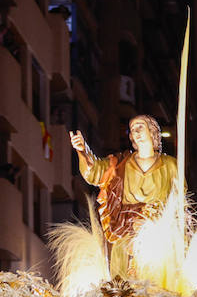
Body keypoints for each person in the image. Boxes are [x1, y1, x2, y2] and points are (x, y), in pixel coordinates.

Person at [69, 115, 179, 279]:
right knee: (121, 283)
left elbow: (180, 201)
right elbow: (96, 171)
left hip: (157, 232)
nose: (136, 132)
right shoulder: (121, 164)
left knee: (155, 283)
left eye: (141, 127)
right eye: (133, 129)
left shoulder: (170, 165)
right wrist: (83, 151)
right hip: (124, 230)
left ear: (153, 131)